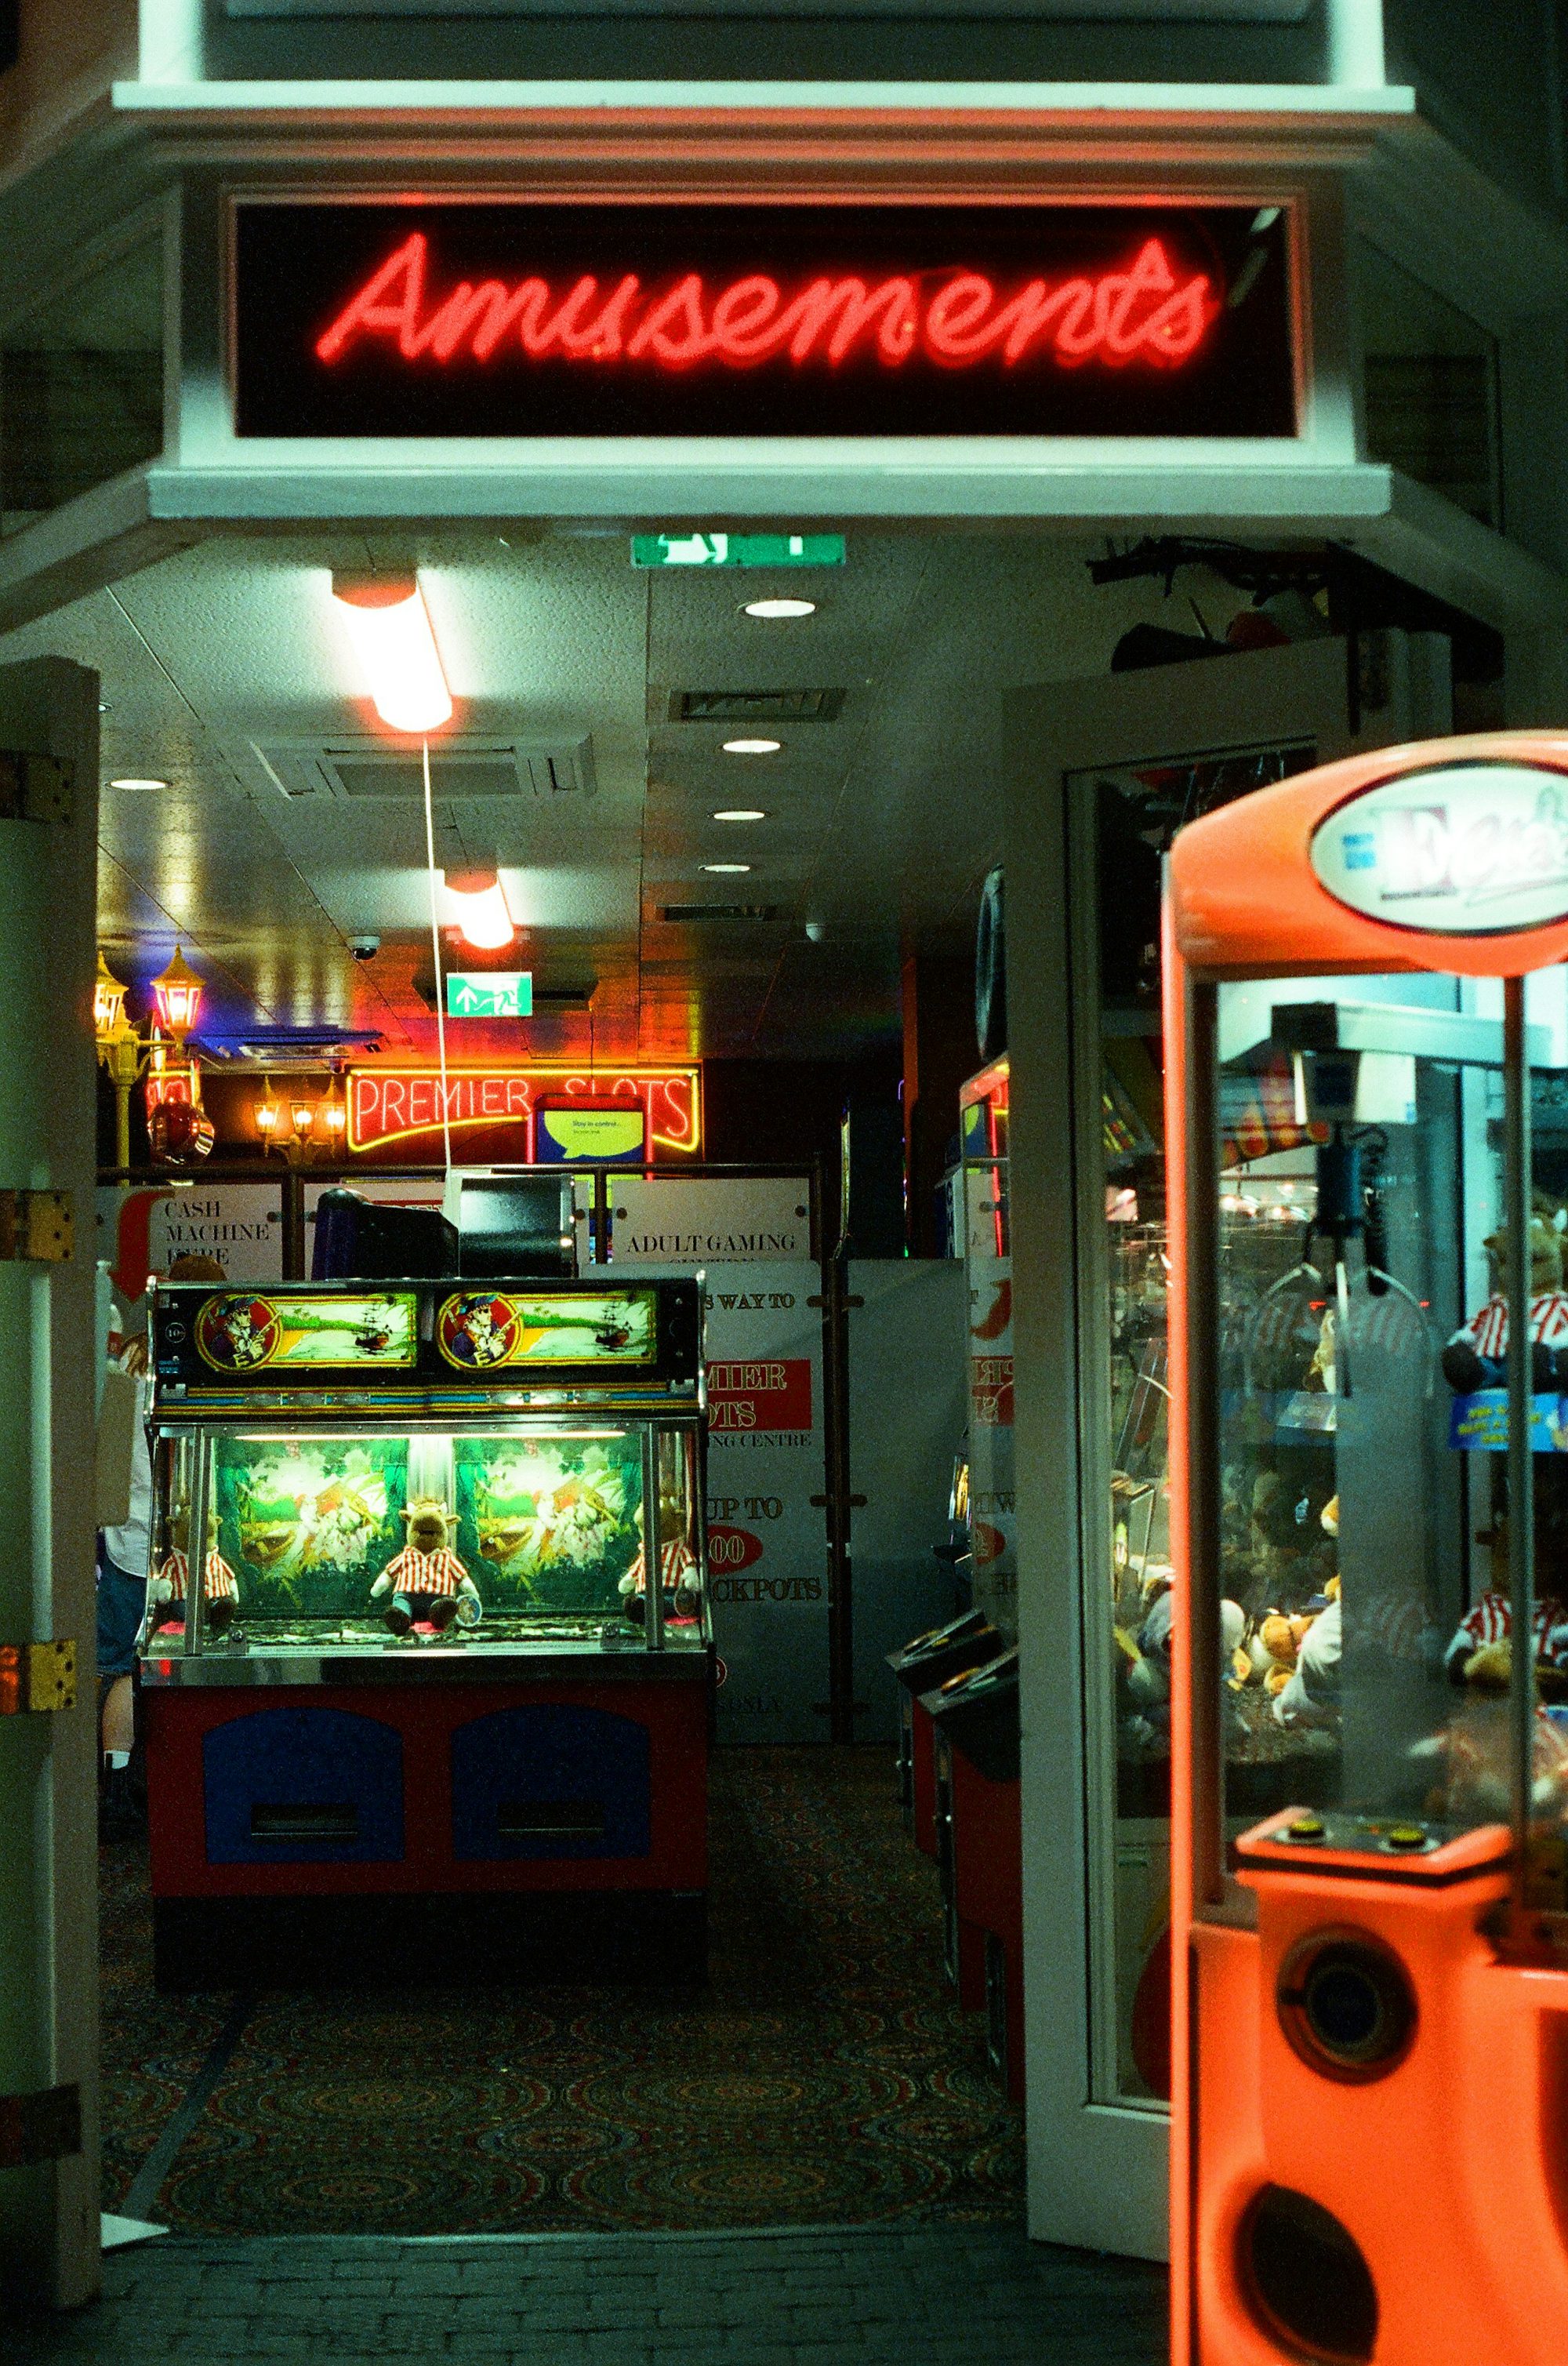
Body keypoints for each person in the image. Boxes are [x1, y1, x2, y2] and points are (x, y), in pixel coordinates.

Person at [96, 1253, 227, 1840]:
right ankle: (175, 1788)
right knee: (176, 1665)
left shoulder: (127, 1362)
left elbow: (104, 1458)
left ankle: (117, 1788)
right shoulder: (212, 1362)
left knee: (123, 1667)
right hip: (194, 1548)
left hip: (130, 1542)